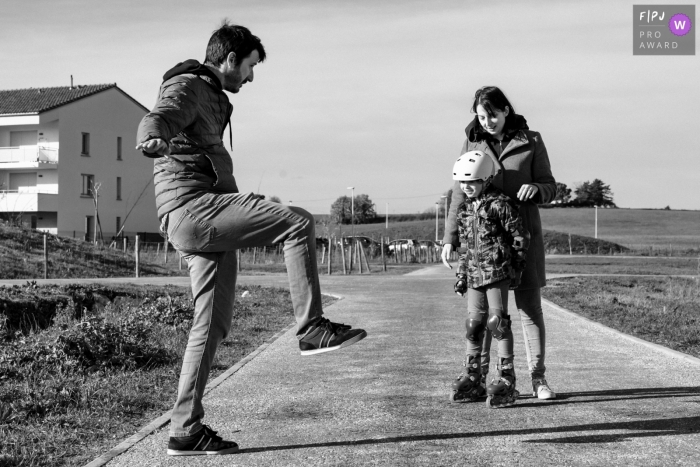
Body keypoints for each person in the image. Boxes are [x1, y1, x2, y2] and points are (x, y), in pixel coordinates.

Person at [136, 22, 367, 456]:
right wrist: (151, 137)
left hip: (202, 210)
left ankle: (185, 430)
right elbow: (161, 115)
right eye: (249, 66)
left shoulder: (211, 94)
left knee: (212, 324)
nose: (251, 77)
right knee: (297, 221)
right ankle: (312, 328)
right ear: (228, 60)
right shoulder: (188, 85)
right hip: (193, 209)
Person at [442, 86, 557, 401]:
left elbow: (551, 186)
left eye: (493, 114)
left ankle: (538, 379)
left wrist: (536, 188)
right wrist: (450, 237)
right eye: (481, 116)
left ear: (506, 110)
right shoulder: (472, 142)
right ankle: (478, 378)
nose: (488, 121)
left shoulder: (531, 141)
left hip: (522, 241)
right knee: (484, 316)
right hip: (483, 246)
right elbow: (458, 192)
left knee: (529, 310)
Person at [447, 151, 529, 408]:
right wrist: (461, 273)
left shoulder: (500, 204)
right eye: (462, 182)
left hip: (497, 272)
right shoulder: (463, 209)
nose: (465, 187)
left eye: (470, 182)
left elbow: (520, 237)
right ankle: (474, 376)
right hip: (473, 275)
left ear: (486, 178)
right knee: (474, 325)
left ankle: (506, 379)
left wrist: (516, 268)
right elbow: (464, 247)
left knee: (498, 324)